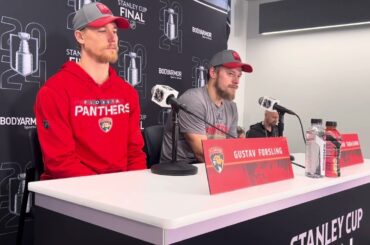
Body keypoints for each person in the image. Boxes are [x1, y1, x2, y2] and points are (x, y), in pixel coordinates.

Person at [34, 3, 146, 179]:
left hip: (122, 193)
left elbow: (135, 153)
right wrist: (106, 192)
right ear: (80, 37)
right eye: (102, 31)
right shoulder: (54, 91)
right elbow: (60, 163)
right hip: (74, 195)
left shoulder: (127, 93)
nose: (112, 38)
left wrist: (134, 186)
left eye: (115, 31)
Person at [160, 49, 253, 163]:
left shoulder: (232, 108)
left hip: (211, 169)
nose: (236, 81)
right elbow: (202, 154)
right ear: (213, 72)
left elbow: (232, 148)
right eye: (230, 74)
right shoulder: (193, 100)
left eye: (239, 76)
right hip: (181, 172)